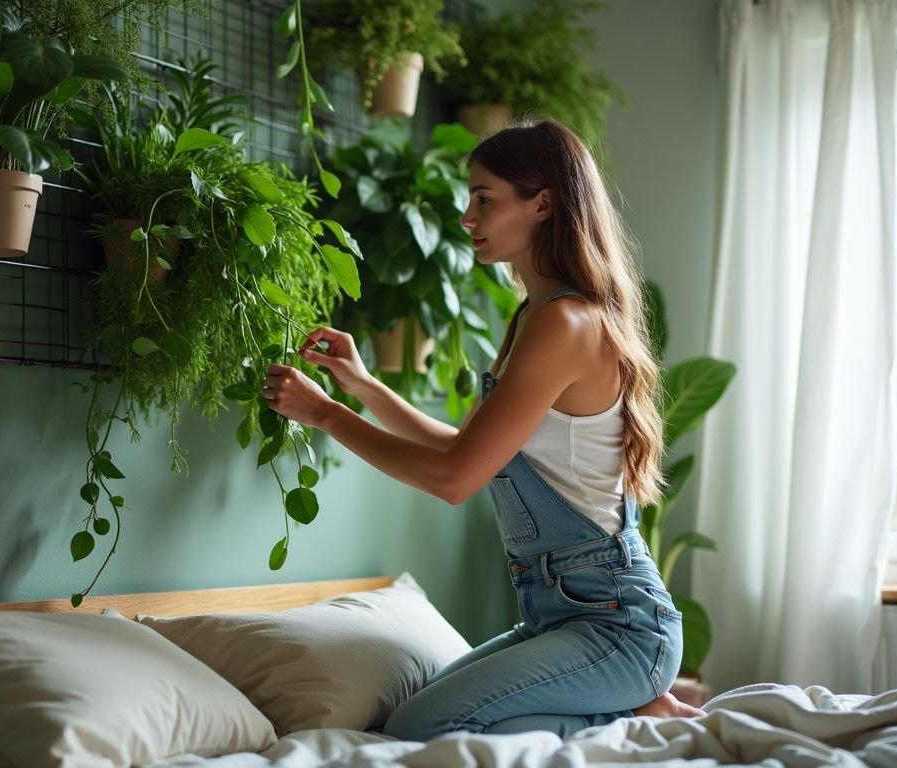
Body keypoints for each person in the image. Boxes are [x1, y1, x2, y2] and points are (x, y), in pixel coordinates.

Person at [261, 119, 706, 740]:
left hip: (616, 624)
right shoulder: (540, 316)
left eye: (485, 198)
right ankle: (624, 705)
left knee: (424, 724)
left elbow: (454, 479)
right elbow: (463, 449)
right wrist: (361, 385)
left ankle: (628, 712)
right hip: (564, 617)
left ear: (543, 203)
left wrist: (325, 414)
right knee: (402, 722)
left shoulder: (565, 324)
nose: (468, 217)